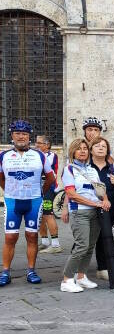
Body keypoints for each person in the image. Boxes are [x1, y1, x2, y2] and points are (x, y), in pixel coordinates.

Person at [0, 120, 55, 286]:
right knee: (10, 237)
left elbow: (50, 177)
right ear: (12, 136)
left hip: (34, 201)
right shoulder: (4, 156)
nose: (21, 136)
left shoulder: (40, 155)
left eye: (24, 134)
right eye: (17, 133)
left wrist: (40, 193)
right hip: (12, 201)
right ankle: (5, 272)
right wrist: (8, 190)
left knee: (32, 236)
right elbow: (1, 177)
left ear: (29, 136)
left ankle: (31, 270)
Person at [60, 138, 111, 292]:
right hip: (79, 212)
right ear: (73, 152)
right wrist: (95, 203)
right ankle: (67, 280)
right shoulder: (69, 169)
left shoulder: (92, 170)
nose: (82, 151)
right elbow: (71, 194)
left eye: (84, 148)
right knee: (81, 246)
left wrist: (106, 200)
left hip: (94, 213)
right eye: (79, 148)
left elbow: (100, 190)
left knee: (89, 247)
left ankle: (81, 277)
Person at [89, 137, 114, 281]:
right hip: (89, 206)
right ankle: (77, 269)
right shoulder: (86, 167)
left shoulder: (112, 168)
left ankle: (102, 268)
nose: (100, 148)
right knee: (85, 238)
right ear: (91, 149)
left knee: (104, 238)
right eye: (97, 146)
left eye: (104, 146)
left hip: (109, 207)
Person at [35, 135, 62, 254]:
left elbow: (43, 170)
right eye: (36, 142)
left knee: (47, 214)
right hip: (37, 189)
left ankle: (56, 244)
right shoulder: (36, 155)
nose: (36, 145)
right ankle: (45, 241)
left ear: (47, 145)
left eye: (39, 143)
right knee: (39, 215)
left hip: (48, 189)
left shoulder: (51, 156)